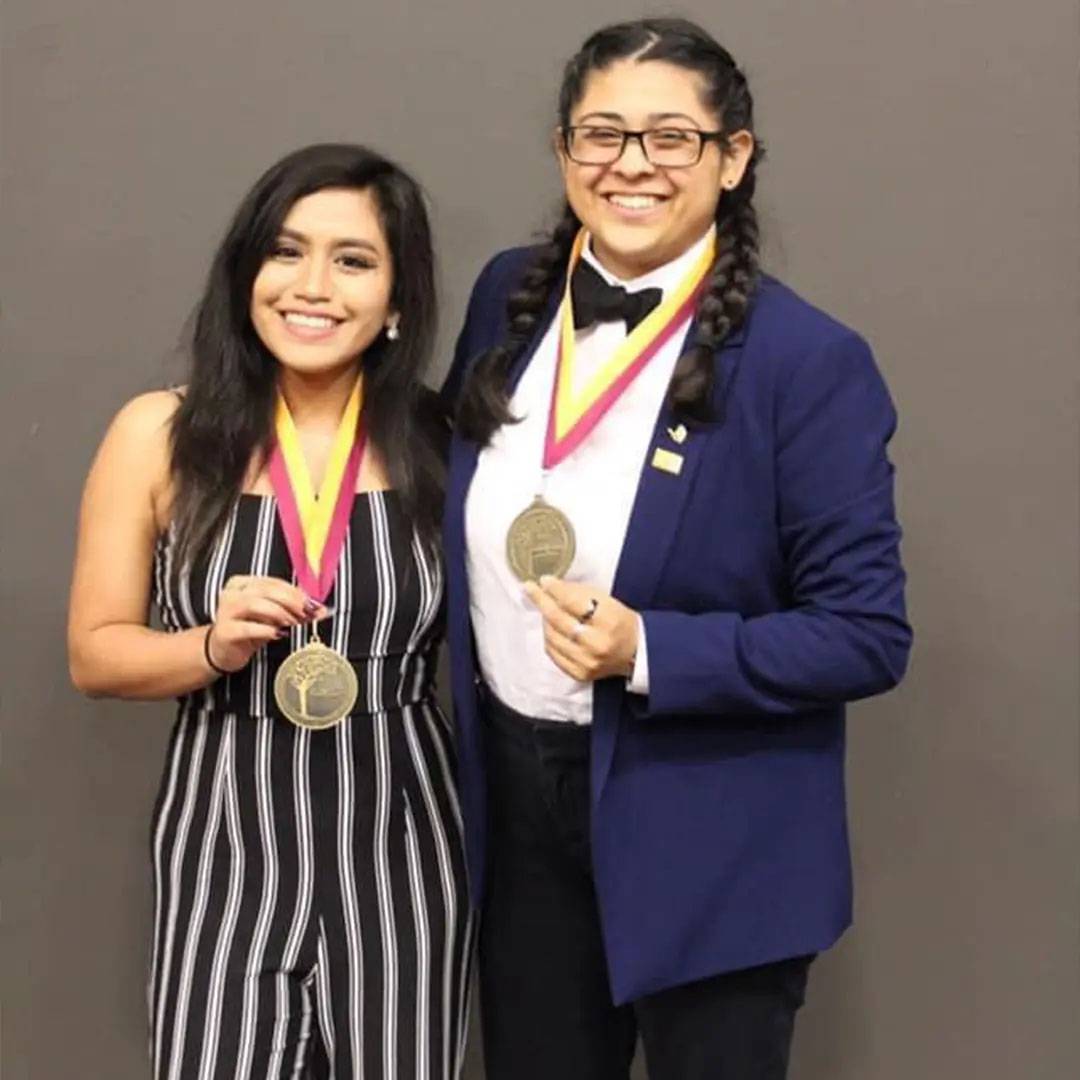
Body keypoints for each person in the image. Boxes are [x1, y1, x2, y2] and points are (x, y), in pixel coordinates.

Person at [441, 18, 911, 1080]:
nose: (632, 165)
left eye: (671, 137)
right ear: (564, 152)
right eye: (603, 134)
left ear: (732, 157)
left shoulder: (808, 362)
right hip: (516, 814)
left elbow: (866, 635)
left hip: (711, 825)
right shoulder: (505, 296)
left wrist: (648, 651)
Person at [68, 144, 471, 1080]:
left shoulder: (446, 441)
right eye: (286, 252)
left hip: (402, 842)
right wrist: (209, 644)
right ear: (247, 272)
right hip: (224, 841)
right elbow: (95, 653)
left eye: (354, 260)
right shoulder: (157, 435)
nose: (313, 286)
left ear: (398, 299)